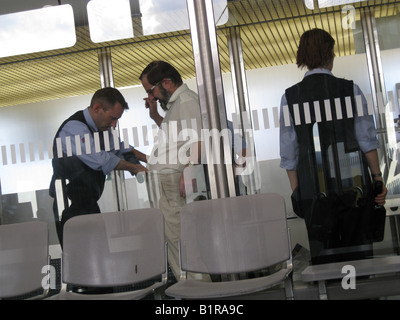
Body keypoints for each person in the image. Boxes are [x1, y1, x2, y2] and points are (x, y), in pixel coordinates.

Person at [279, 28, 387, 265]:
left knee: (325, 261)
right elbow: (366, 140)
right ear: (330, 55)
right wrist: (377, 178)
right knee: (358, 258)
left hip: (313, 190)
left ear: (303, 57)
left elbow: (290, 153)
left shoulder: (290, 97)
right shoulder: (350, 89)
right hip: (353, 185)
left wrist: (297, 192)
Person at [49, 87, 147, 246]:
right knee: (80, 256)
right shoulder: (74, 128)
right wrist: (134, 168)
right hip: (69, 206)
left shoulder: (103, 129)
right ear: (97, 108)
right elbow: (100, 160)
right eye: (112, 118)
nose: (114, 124)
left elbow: (120, 148)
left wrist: (149, 160)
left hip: (87, 203)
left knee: (99, 252)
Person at [139, 61, 203, 281]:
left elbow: (198, 141)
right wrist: (155, 115)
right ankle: (192, 288)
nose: (152, 96)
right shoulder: (177, 104)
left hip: (173, 179)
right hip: (166, 180)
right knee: (174, 240)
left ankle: (198, 291)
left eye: (151, 90)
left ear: (166, 83)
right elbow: (176, 138)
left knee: (179, 240)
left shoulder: (185, 101)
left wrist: (189, 172)